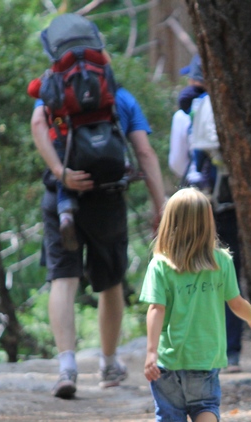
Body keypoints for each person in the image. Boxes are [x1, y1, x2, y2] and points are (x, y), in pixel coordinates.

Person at [30, 14, 167, 399]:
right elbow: (144, 152)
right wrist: (161, 205)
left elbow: (38, 125)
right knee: (109, 283)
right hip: (107, 196)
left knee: (63, 278)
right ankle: (108, 363)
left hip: (64, 190)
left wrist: (60, 171)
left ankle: (67, 367)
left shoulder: (53, 90)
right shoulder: (117, 96)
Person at [139, 188, 251, 422]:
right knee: (206, 406)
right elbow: (236, 303)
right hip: (205, 356)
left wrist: (151, 352)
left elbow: (156, 309)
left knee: (171, 418)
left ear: (169, 223)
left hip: (168, 359)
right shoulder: (221, 261)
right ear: (208, 222)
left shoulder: (160, 265)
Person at [169, 54, 245, 373]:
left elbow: (177, 161)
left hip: (198, 204)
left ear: (196, 79)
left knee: (192, 269)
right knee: (231, 271)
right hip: (231, 201)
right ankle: (232, 350)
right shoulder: (235, 107)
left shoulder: (185, 113)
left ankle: (194, 346)